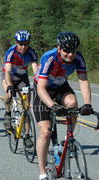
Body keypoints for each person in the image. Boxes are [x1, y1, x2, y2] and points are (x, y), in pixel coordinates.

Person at [33, 32, 93, 180]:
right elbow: (41, 88)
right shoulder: (50, 57)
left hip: (61, 86)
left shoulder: (78, 58)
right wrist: (52, 105)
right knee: (46, 132)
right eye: (66, 50)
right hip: (43, 89)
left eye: (73, 51)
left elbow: (83, 81)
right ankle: (42, 172)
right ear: (58, 48)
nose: (70, 54)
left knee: (73, 103)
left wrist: (87, 104)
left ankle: (67, 141)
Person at [2, 30, 38, 147]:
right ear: (16, 42)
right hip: (9, 76)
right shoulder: (11, 52)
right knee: (9, 94)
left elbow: (35, 70)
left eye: (26, 44)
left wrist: (38, 84)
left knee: (26, 107)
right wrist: (9, 85)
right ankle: (7, 113)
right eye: (21, 44)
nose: (23, 46)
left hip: (22, 77)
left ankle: (27, 135)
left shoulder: (31, 52)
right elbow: (7, 70)